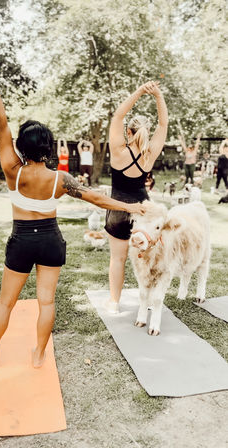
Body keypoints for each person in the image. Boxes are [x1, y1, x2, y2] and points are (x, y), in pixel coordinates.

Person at [0, 49, 147, 370]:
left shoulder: (11, 169)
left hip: (21, 242)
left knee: (6, 303)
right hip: (50, 242)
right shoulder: (61, 179)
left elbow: (1, 122)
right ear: (47, 146)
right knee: (46, 302)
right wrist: (132, 205)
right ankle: (39, 354)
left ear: (22, 148)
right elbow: (98, 199)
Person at [104, 80, 168, 312]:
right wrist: (158, 96)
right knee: (148, 258)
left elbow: (117, 117)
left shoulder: (119, 151)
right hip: (144, 212)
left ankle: (114, 303)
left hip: (119, 210)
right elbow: (163, 124)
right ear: (145, 133)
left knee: (118, 259)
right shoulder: (148, 155)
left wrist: (140, 91)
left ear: (128, 132)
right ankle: (150, 301)